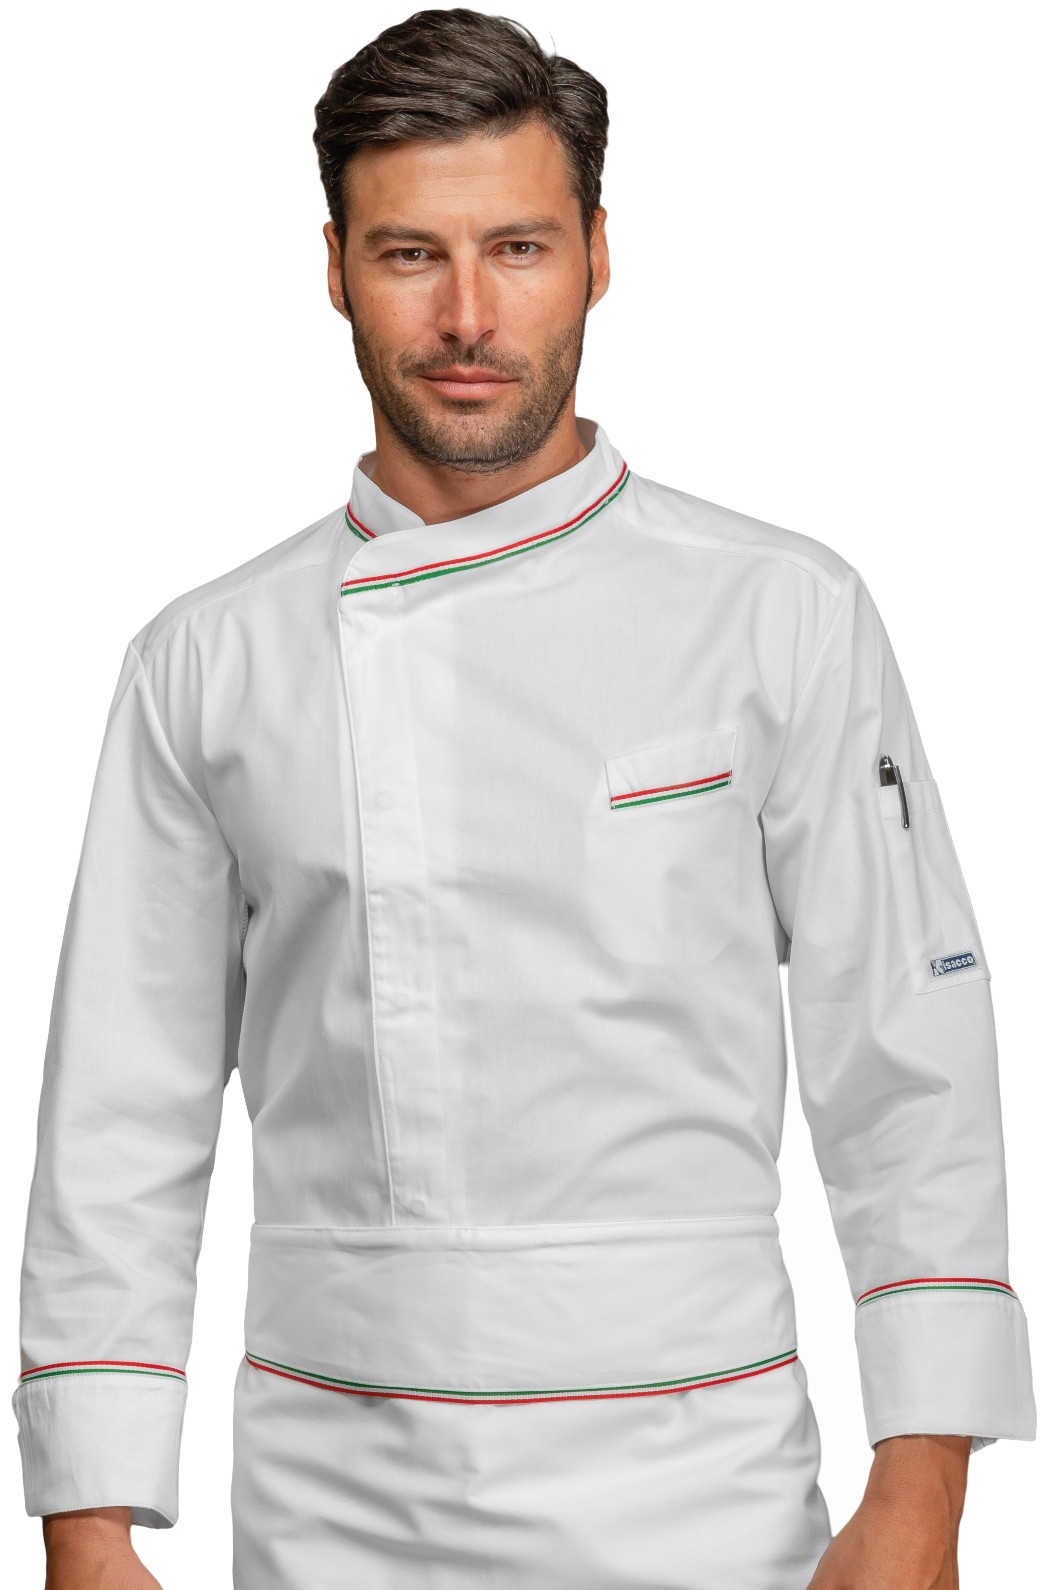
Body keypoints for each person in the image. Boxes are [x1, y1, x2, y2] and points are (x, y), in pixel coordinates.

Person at [13, 9, 1036, 1589]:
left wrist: (922, 1486)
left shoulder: (782, 613)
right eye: (410, 255)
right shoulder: (205, 662)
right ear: (335, 269)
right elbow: (119, 1112)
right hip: (335, 1496)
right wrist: (87, 1523)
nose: (468, 315)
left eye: (519, 247)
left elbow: (906, 1058)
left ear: (599, 255)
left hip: (703, 1486)